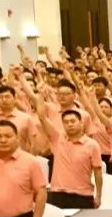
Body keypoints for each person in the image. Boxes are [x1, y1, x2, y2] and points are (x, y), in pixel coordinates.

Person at [25, 80, 104, 209]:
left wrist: (99, 196)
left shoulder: (92, 145)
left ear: (81, 123)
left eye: (73, 121)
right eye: (66, 122)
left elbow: (98, 173)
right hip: (58, 193)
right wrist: (40, 94)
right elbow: (42, 117)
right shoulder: (57, 138)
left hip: (83, 195)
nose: (69, 124)